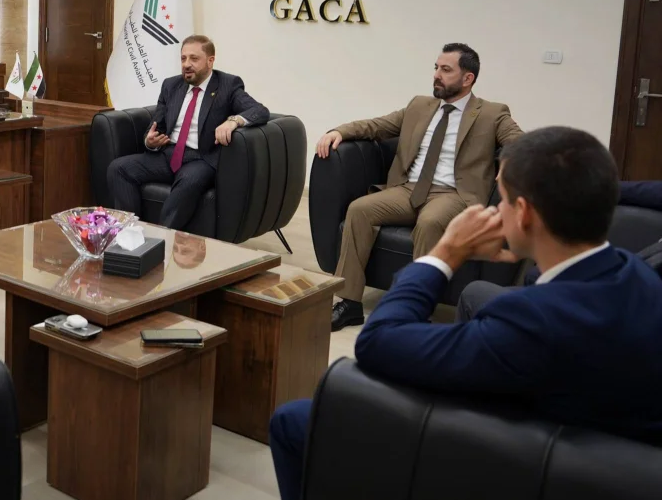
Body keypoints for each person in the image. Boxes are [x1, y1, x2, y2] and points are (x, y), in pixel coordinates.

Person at [270, 127, 662, 500]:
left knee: (294, 421)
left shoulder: (528, 321)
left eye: (502, 199)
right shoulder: (638, 274)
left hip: (515, 462)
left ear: (523, 214)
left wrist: (445, 254)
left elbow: (377, 341)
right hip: (607, 455)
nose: (496, 209)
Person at [315, 43, 523, 330]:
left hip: (453, 193)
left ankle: (415, 310)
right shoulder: (419, 106)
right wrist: (339, 131)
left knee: (430, 222)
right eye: (436, 68)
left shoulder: (491, 113)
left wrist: (512, 161)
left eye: (446, 70)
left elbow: (518, 140)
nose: (436, 75)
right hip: (408, 188)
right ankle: (349, 303)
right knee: (359, 210)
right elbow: (377, 125)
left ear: (468, 78)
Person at [107, 35, 269, 229]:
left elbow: (259, 111)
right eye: (183, 58)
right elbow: (156, 125)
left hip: (201, 158)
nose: (186, 64)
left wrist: (233, 121)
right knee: (119, 168)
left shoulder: (227, 85)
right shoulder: (171, 85)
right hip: (168, 154)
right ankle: (130, 233)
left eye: (194, 58)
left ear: (210, 61)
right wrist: (150, 141)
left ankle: (162, 238)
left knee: (189, 181)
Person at [456, 178, 662, 321]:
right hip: (606, 295)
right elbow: (645, 191)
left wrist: (446, 255)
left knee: (474, 293)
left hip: (603, 312)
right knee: (531, 277)